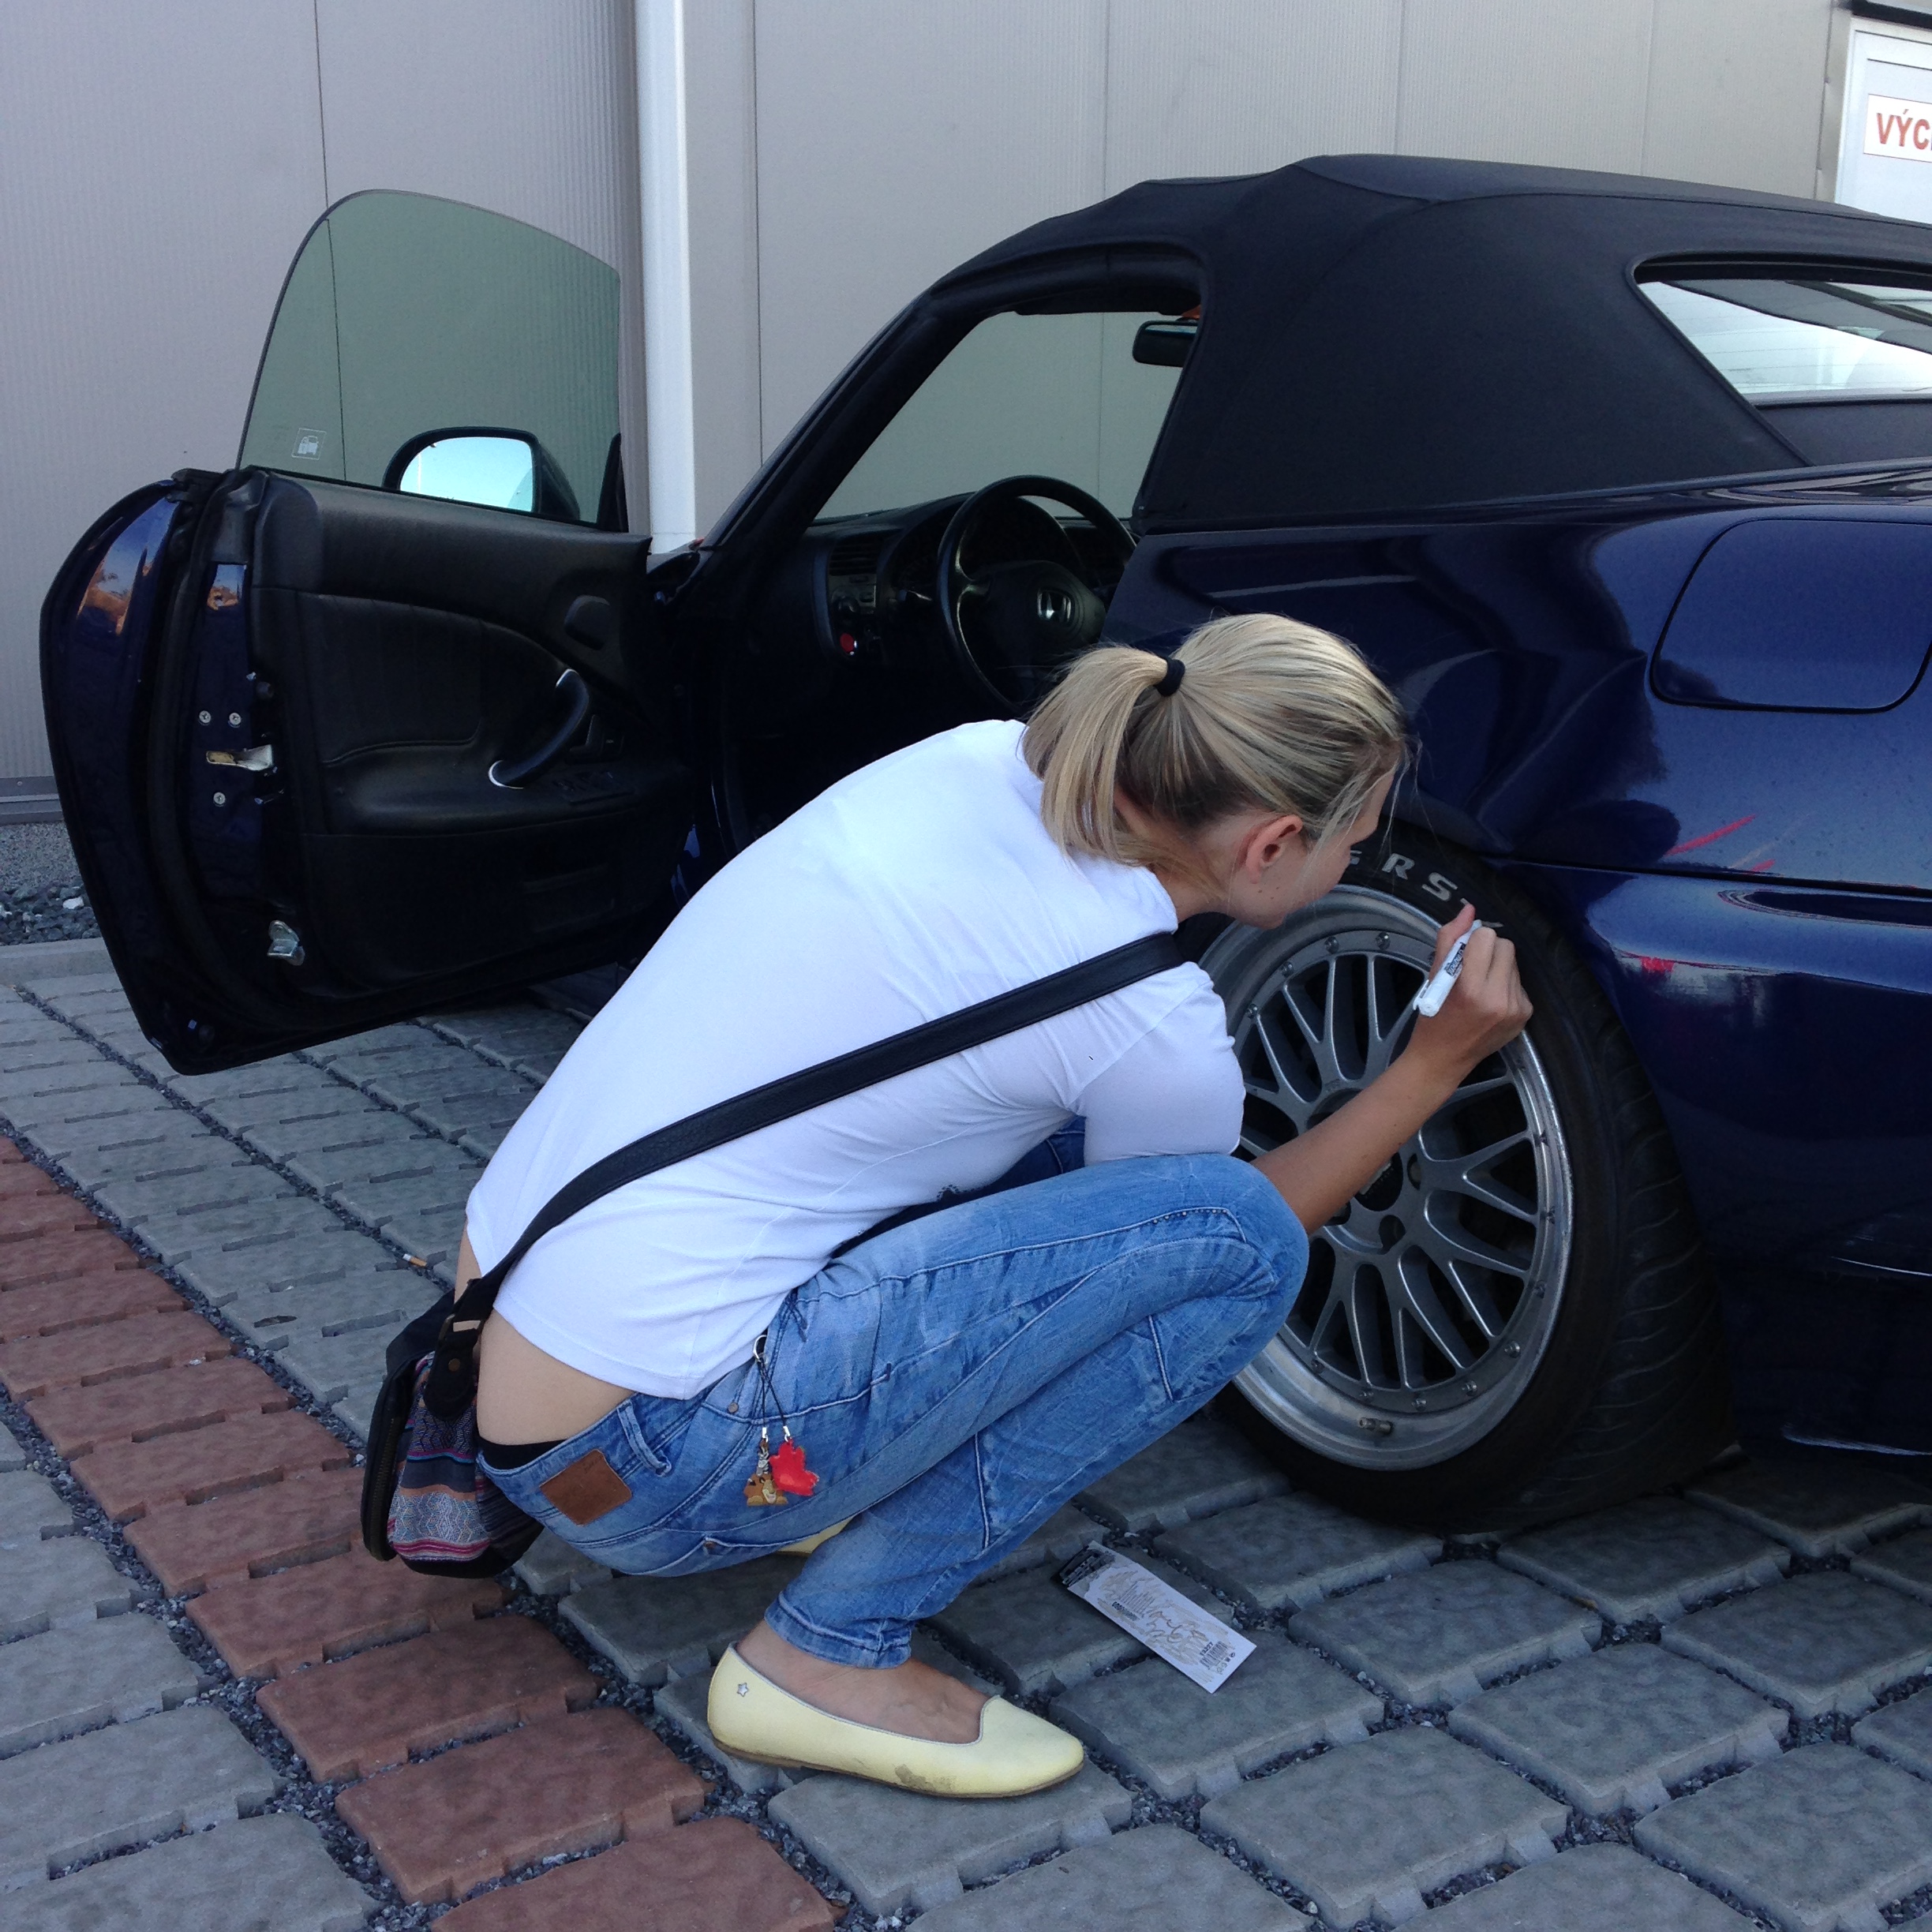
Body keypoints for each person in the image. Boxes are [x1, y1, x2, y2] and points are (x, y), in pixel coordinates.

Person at [462, 612, 1531, 1798]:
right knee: (1237, 1243)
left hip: (495, 1340)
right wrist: (1434, 1066)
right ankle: (825, 1652)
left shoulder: (971, 761)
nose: (1359, 863)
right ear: (1274, 843)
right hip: (659, 1474)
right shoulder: (1140, 1017)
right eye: (1357, 841)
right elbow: (1233, 1228)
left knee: (1056, 1139)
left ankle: (833, 1461)